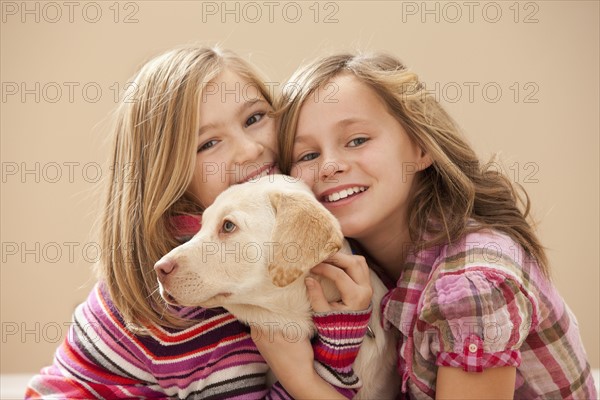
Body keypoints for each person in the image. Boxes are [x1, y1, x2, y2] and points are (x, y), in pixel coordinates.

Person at [25, 46, 373, 399]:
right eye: (208, 143)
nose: (249, 149)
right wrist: (336, 349)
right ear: (168, 174)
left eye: (254, 118)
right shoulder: (193, 297)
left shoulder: (277, 224)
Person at [277, 52, 598, 399]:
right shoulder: (361, 270)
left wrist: (302, 383)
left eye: (357, 140)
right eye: (307, 156)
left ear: (421, 148)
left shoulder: (469, 287)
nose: (329, 166)